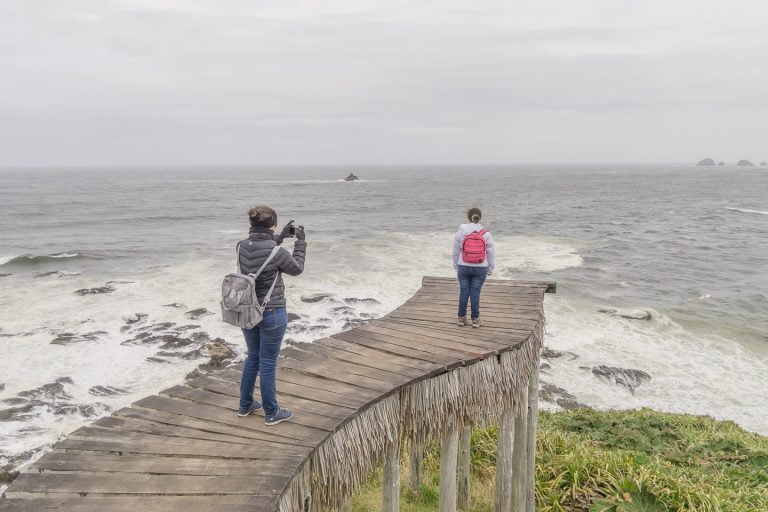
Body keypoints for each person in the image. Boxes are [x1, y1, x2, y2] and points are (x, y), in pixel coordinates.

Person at [236, 205, 306, 425]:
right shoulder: (277, 252)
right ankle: (272, 412)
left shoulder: (240, 246)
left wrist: (280, 237)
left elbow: (260, 250)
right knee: (267, 362)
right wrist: (300, 243)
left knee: (253, 357)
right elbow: (297, 268)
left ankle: (245, 405)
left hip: (247, 310)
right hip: (272, 312)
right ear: (273, 224)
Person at [452, 207, 495, 328]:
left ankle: (461, 318)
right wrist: (490, 268)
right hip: (480, 267)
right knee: (475, 293)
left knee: (464, 291)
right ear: (480, 218)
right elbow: (491, 252)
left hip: (463, 266)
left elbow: (455, 251)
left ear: (468, 217)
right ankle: (476, 320)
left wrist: (456, 266)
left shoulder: (461, 232)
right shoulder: (486, 233)